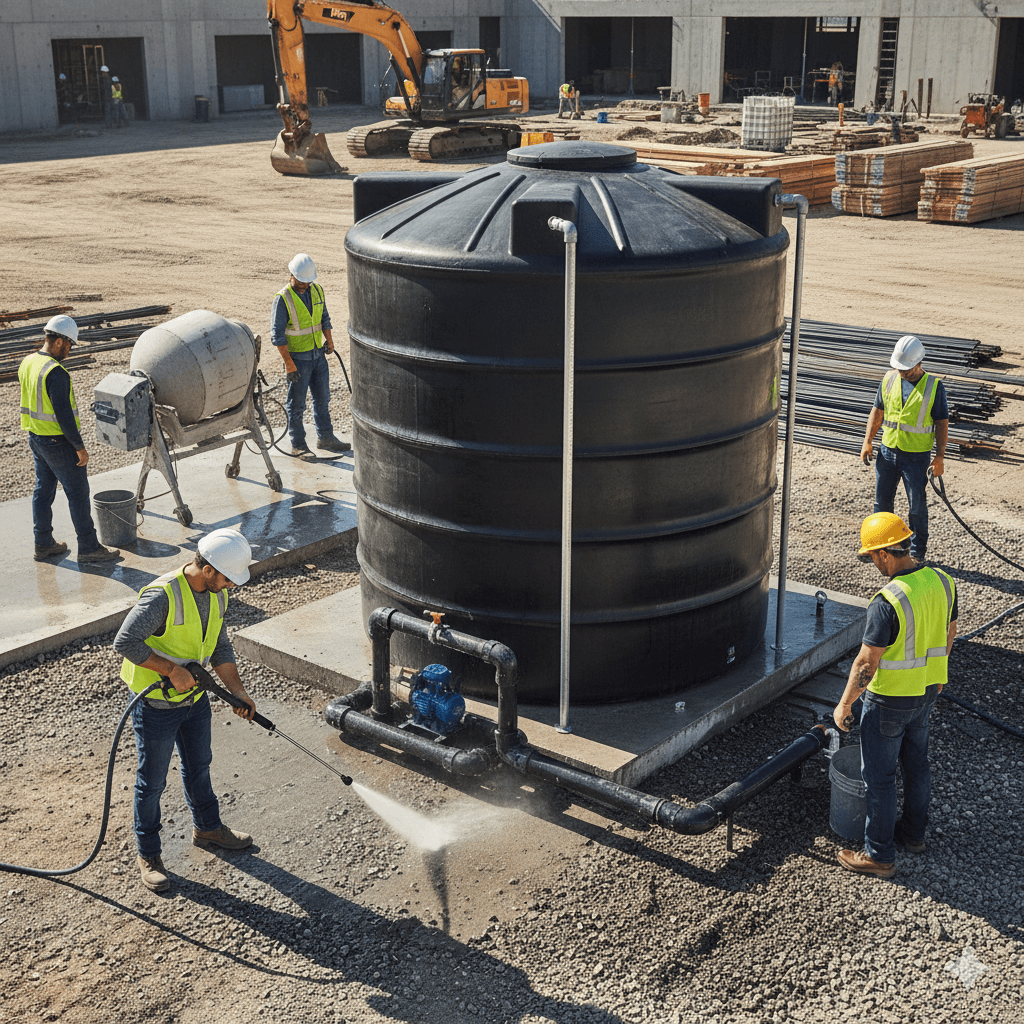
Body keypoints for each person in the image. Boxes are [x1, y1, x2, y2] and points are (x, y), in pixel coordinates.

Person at [114, 528, 258, 893]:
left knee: (199, 765)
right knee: (152, 782)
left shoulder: (218, 594)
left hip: (194, 699)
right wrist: (171, 670)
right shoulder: (163, 596)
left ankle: (208, 828)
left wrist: (237, 692)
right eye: (227, 578)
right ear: (207, 569)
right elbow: (125, 641)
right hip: (155, 704)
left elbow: (219, 645)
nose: (231, 585)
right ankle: (148, 854)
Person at [833, 512, 957, 878]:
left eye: (872, 556)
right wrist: (938, 675)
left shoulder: (887, 601)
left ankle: (879, 855)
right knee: (917, 765)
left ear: (885, 554)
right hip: (927, 692)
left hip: (889, 702)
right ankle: (914, 835)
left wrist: (845, 704)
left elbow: (866, 663)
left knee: (880, 777)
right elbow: (949, 631)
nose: (873, 563)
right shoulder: (943, 580)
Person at [19, 315, 119, 565]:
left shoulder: (28, 362)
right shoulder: (56, 372)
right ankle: (89, 548)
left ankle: (43, 544)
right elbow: (64, 416)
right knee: (78, 493)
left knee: (43, 491)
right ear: (59, 341)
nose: (69, 350)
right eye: (69, 345)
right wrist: (79, 448)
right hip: (57, 442)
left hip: (36, 438)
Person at [860, 335, 948, 564]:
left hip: (916, 457)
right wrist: (868, 440)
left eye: (906, 369)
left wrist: (939, 457)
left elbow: (942, 423)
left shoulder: (934, 387)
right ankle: (880, 545)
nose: (902, 372)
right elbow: (877, 411)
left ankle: (917, 552)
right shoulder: (889, 379)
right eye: (899, 368)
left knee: (916, 506)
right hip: (887, 451)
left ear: (919, 363)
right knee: (881, 504)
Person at [272, 253, 350, 457]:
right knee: (296, 405)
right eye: (301, 281)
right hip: (298, 360)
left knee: (322, 400)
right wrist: (289, 364)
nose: (305, 285)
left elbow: (324, 318)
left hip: (318, 356)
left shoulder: (316, 290)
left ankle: (325, 438)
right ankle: (298, 444)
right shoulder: (283, 299)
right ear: (292, 275)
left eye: (308, 281)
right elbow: (277, 336)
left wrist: (329, 341)